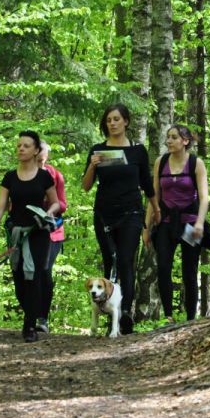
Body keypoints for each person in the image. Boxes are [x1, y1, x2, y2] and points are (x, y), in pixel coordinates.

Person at [82, 103, 159, 334]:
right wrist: (92, 166)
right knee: (110, 261)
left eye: (116, 119)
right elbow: (86, 186)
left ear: (126, 121)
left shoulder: (137, 151)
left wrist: (156, 208)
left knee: (126, 260)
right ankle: (110, 314)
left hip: (131, 213)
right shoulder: (98, 150)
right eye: (109, 120)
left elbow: (146, 182)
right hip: (104, 214)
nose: (112, 123)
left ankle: (125, 312)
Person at [0, 131, 60, 343]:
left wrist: (49, 213)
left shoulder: (44, 176)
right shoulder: (10, 177)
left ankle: (30, 325)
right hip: (16, 233)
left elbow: (56, 202)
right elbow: (1, 204)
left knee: (35, 276)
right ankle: (30, 313)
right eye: (19, 145)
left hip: (38, 233)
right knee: (19, 279)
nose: (21, 148)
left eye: (26, 146)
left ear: (36, 150)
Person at [144, 124, 210, 323]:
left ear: (185, 141)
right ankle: (169, 317)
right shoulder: (161, 162)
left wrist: (200, 223)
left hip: (190, 224)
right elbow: (154, 196)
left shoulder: (196, 163)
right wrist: (146, 227)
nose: (169, 141)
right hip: (166, 223)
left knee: (189, 271)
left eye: (174, 137)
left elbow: (204, 198)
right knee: (163, 267)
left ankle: (190, 318)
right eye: (168, 137)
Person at [36, 141, 67, 334]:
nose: (40, 161)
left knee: (45, 270)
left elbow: (63, 204)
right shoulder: (22, 175)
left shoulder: (55, 175)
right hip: (28, 231)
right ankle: (30, 313)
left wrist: (49, 205)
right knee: (26, 273)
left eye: (43, 158)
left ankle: (42, 318)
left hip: (52, 231)